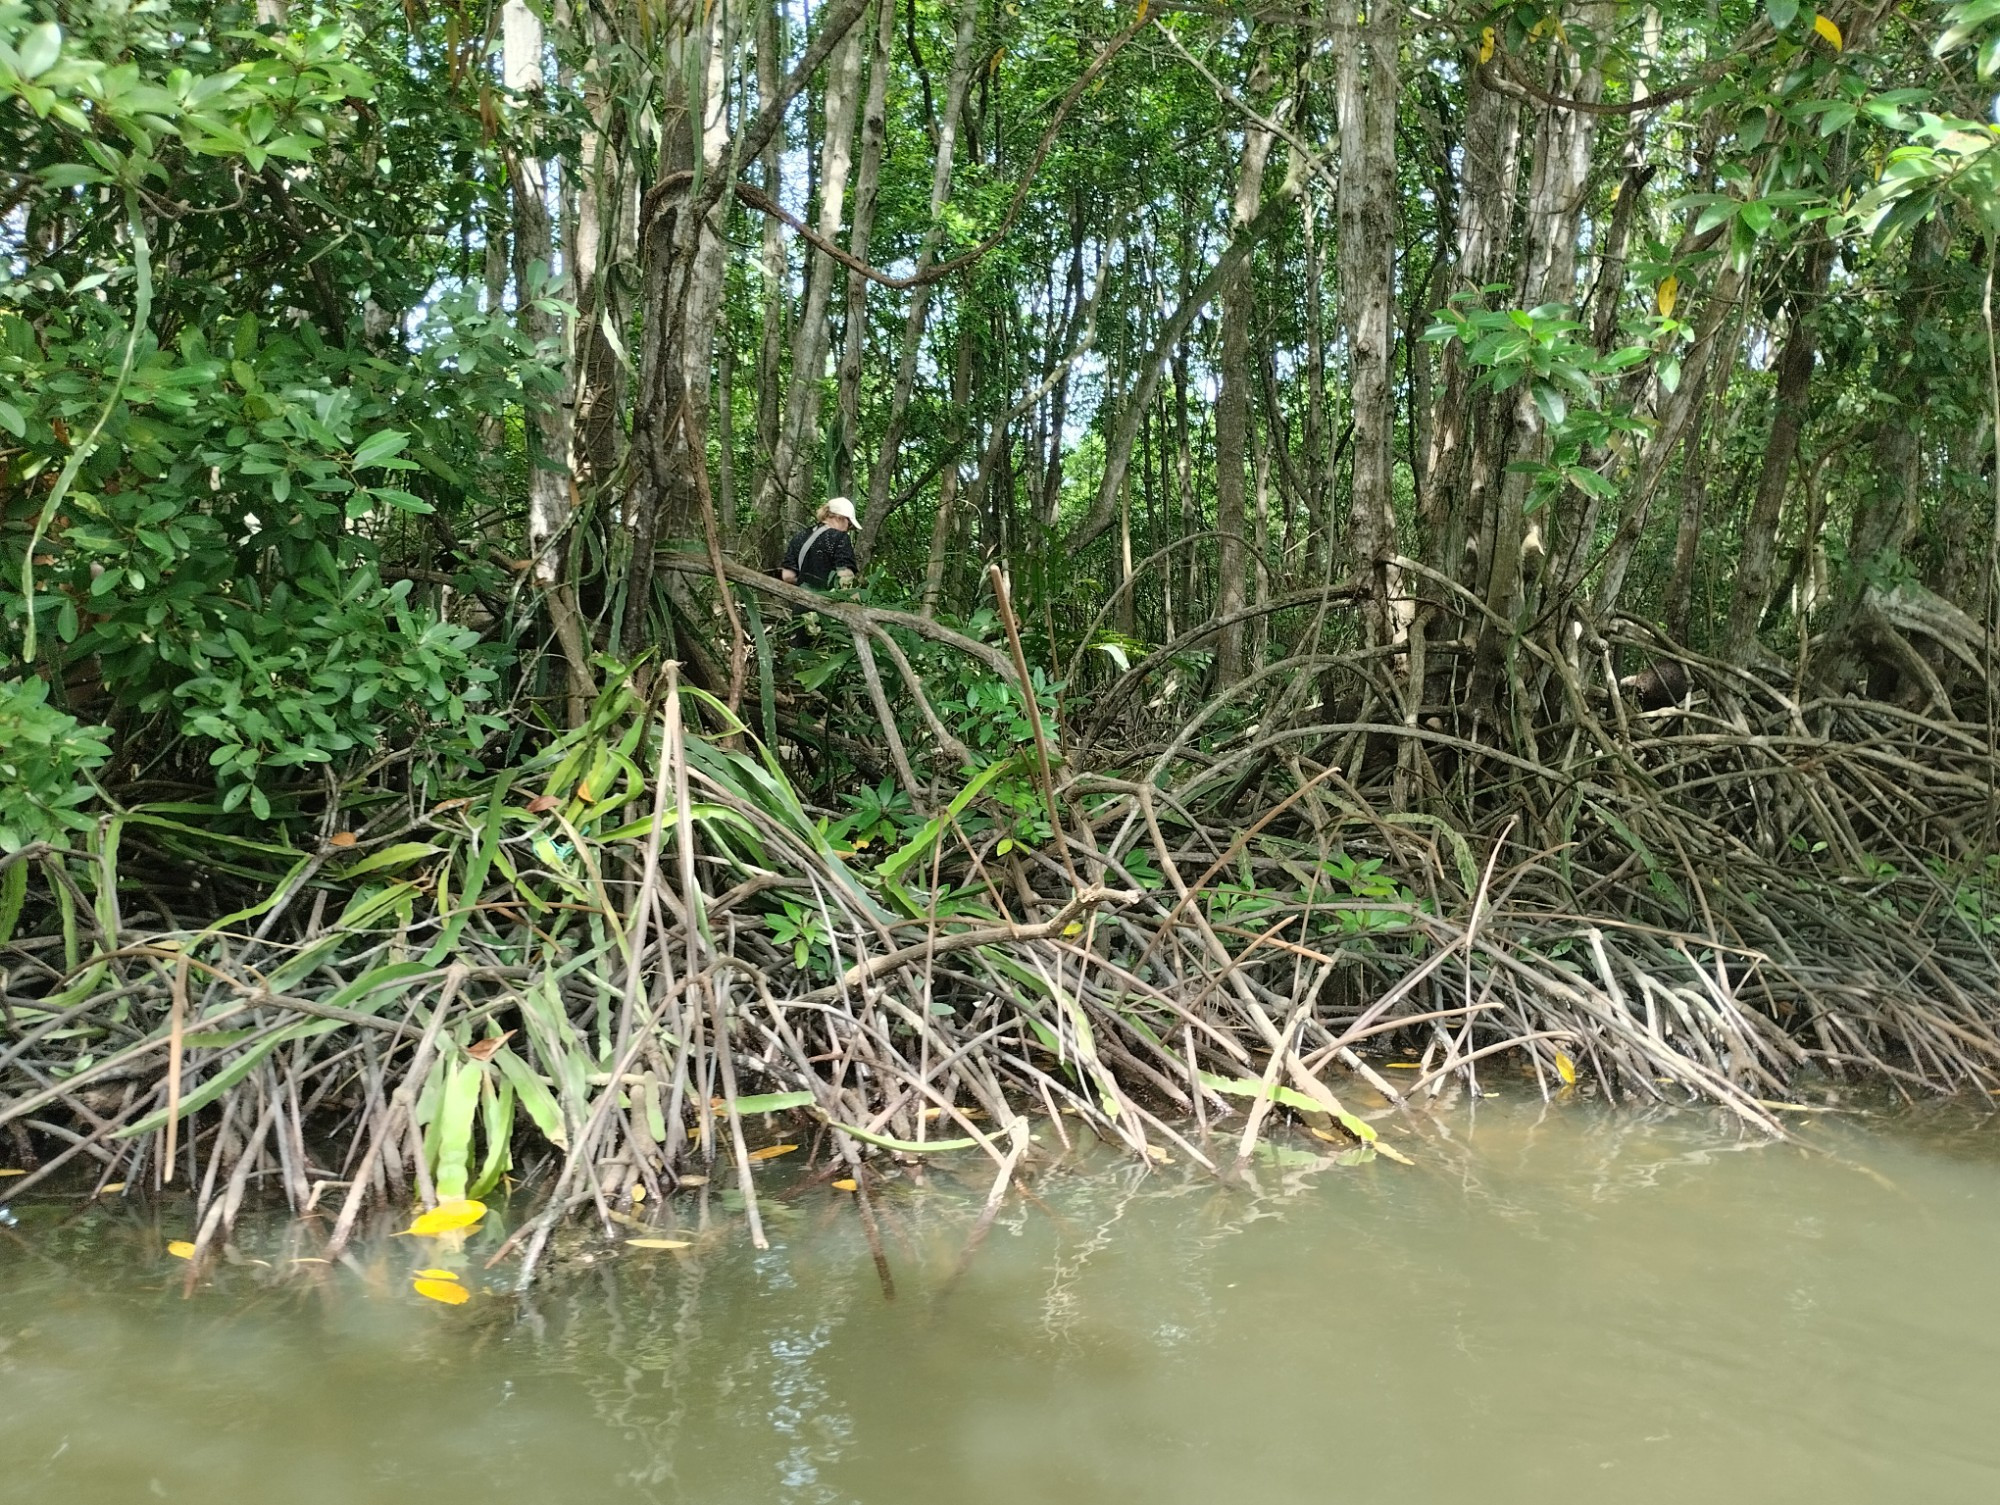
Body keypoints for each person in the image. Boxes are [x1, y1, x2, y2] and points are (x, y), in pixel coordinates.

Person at [779, 497, 860, 589]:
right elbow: (845, 575)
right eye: (849, 524)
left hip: (800, 599)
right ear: (840, 517)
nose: (847, 529)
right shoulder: (840, 537)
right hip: (827, 600)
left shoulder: (799, 537)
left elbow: (788, 576)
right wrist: (855, 600)